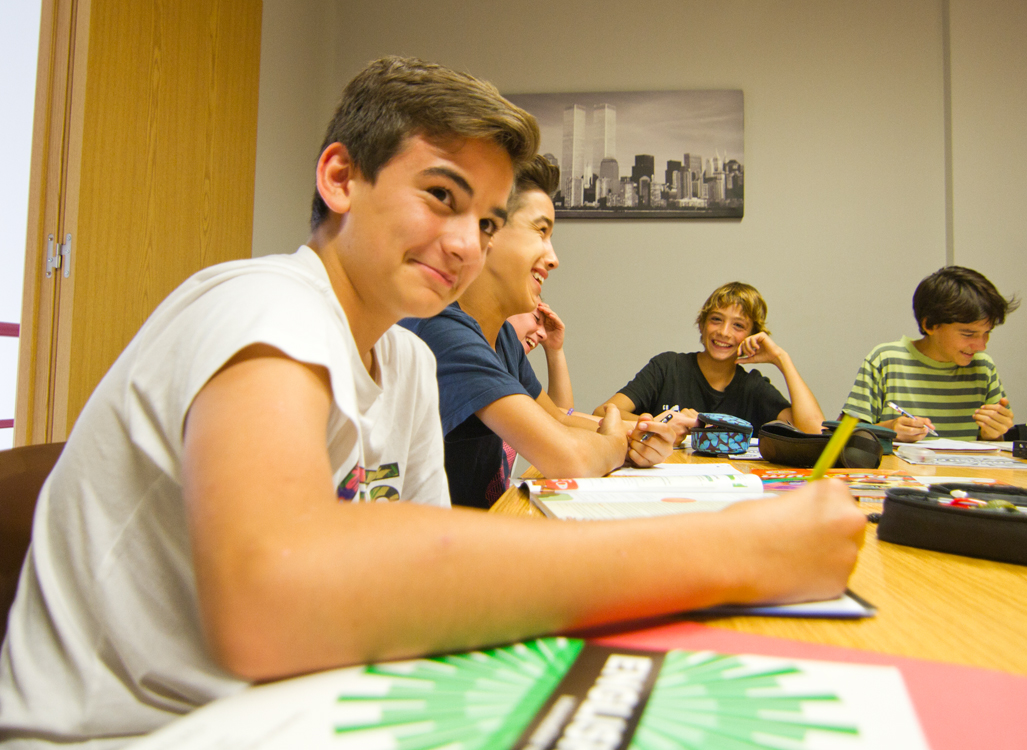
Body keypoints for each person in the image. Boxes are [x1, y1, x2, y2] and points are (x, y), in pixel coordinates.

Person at [0, 56, 865, 748]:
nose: (464, 245)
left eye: (488, 222)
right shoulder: (264, 304)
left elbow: (416, 580)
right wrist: (737, 551)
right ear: (341, 178)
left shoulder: (408, 363)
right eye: (442, 197)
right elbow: (274, 601)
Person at [402, 156, 681, 508]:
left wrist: (642, 433)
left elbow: (558, 420)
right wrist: (614, 441)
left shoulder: (501, 337)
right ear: (489, 230)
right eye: (541, 231)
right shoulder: (443, 331)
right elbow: (571, 459)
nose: (553, 258)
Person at [594, 282, 825, 436]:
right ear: (702, 325)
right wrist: (665, 424)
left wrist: (781, 359)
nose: (724, 332)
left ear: (752, 336)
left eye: (738, 325)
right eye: (716, 319)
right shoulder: (668, 367)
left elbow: (814, 431)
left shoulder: (753, 387)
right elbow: (603, 413)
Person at [841, 266, 1019, 442]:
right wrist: (889, 430)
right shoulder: (886, 360)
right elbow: (841, 436)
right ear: (929, 325)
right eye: (968, 334)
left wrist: (993, 432)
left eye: (987, 333)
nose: (981, 346)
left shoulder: (983, 367)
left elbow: (994, 447)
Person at [508, 300, 573, 410]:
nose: (543, 335)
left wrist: (554, 350)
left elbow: (560, 416)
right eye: (536, 318)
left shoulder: (518, 365)